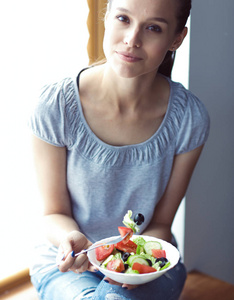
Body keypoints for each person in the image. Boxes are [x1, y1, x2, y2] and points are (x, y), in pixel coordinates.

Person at [29, 0, 210, 299]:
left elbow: (162, 224)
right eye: (123, 19)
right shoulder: (55, 106)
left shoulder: (189, 118)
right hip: (65, 263)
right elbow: (53, 213)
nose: (132, 39)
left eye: (153, 27)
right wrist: (72, 239)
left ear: (176, 38)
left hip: (150, 260)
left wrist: (128, 265)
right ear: (107, 18)